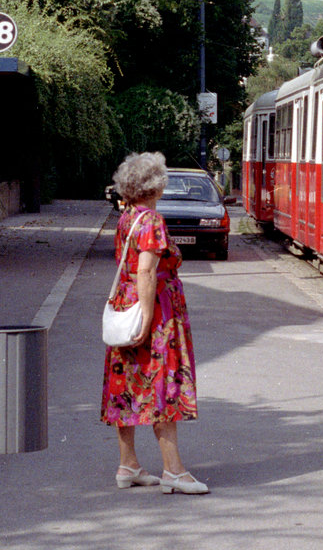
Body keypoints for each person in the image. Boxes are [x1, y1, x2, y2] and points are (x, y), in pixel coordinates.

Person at [101, 151, 208, 495]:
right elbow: (146, 270)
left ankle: (128, 465)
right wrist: (148, 318)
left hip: (124, 306)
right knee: (162, 386)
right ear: (155, 186)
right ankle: (173, 471)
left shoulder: (127, 217)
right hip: (154, 310)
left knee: (126, 386)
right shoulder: (152, 221)